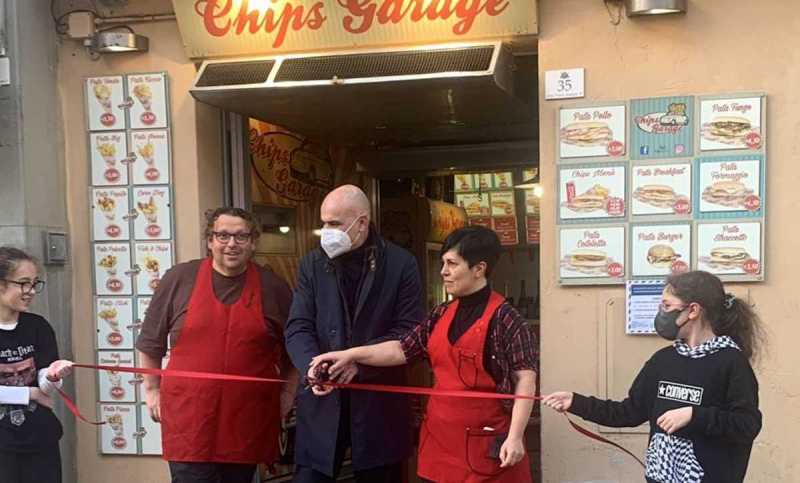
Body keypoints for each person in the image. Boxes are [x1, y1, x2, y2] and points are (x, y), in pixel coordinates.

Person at [311, 225, 539, 482]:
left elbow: (525, 379)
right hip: (439, 441)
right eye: (443, 263)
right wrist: (350, 355)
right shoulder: (440, 313)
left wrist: (515, 436)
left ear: (479, 269)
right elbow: (401, 349)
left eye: (452, 264)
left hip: (486, 445)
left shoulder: (507, 320)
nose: (443, 271)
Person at [543, 270, 763, 483]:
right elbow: (628, 412)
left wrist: (695, 415)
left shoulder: (731, 361)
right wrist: (575, 402)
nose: (661, 313)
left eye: (667, 305)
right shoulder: (663, 360)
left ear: (693, 310)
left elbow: (747, 425)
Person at [135, 207, 296, 483]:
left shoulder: (274, 287)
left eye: (241, 236)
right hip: (189, 420)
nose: (231, 244)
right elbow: (151, 342)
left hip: (246, 419)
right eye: (223, 236)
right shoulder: (178, 279)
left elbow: (295, 351)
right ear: (210, 241)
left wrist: (288, 394)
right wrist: (152, 390)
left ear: (253, 242)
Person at [285, 184, 425, 482]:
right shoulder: (312, 263)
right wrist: (314, 367)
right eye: (323, 223)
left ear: (362, 222)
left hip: (379, 405)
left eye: (334, 223)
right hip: (322, 399)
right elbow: (298, 326)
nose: (326, 231)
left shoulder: (400, 264)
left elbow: (410, 332)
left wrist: (359, 363)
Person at [0, 247, 73, 483]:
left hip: (39, 438)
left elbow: (45, 387)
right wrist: (29, 394)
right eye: (23, 283)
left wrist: (52, 376)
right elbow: (36, 393)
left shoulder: (38, 326)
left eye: (34, 284)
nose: (31, 291)